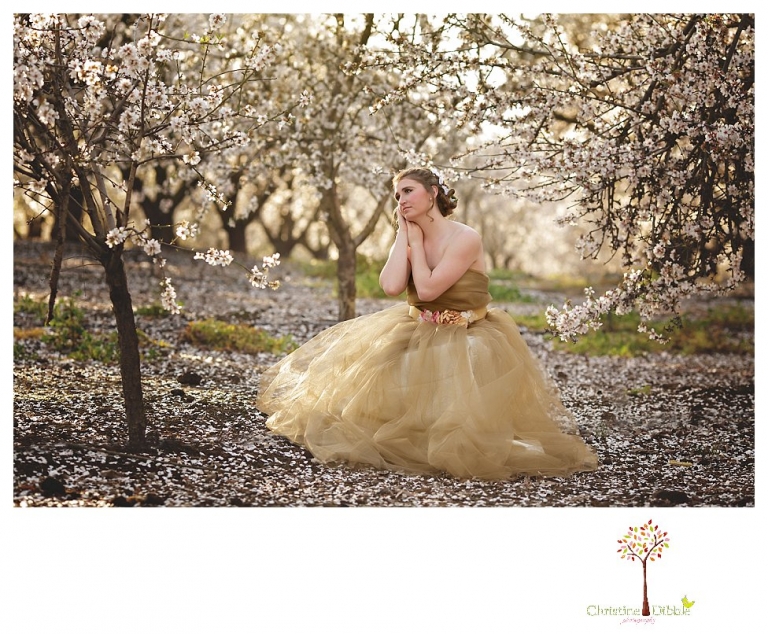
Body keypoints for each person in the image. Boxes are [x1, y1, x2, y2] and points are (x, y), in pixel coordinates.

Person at [256, 168, 598, 480]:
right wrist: (403, 238)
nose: (401, 201)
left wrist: (416, 246)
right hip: (417, 326)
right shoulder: (409, 235)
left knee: (463, 363)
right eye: (397, 196)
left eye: (408, 192)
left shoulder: (465, 237)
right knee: (374, 377)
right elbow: (390, 286)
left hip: (468, 331)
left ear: (432, 193)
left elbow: (431, 286)